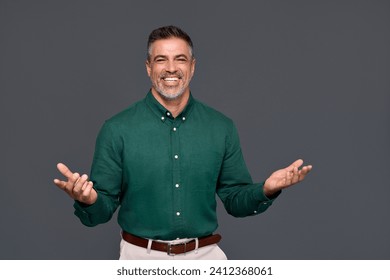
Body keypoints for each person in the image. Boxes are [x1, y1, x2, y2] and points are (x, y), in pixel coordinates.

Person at [54, 25, 312, 260]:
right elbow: (102, 210)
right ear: (148, 67)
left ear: (193, 66)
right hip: (140, 259)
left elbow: (235, 200)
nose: (171, 68)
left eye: (180, 59)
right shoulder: (117, 129)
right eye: (160, 60)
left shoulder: (221, 127)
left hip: (206, 258)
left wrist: (267, 189)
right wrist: (88, 199)